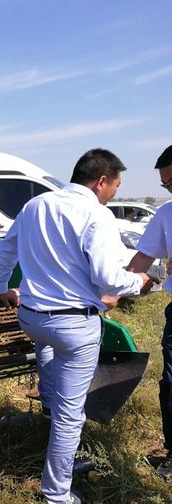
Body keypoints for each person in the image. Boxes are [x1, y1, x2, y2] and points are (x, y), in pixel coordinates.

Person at [0, 148, 153, 504]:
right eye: (116, 184)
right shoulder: (97, 214)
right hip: (72, 326)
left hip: (31, 318)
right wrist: (139, 281)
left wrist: (2, 287)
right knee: (70, 413)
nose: (115, 191)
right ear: (101, 181)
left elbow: (5, 251)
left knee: (49, 365)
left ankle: (51, 439)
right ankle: (57, 493)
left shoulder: (36, 206)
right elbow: (107, 277)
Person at [126, 144, 172, 479]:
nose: (170, 191)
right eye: (166, 186)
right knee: (170, 382)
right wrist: (115, 289)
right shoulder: (167, 215)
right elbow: (142, 261)